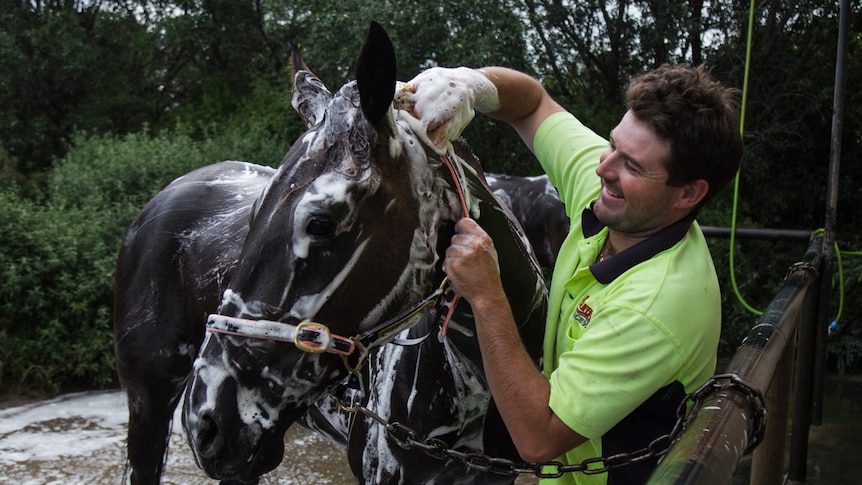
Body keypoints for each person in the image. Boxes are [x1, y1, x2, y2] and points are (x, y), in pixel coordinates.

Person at [394, 64, 743, 484]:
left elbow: (538, 439)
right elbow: (533, 103)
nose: (602, 168)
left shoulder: (654, 306)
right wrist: (468, 84)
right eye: (612, 144)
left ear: (689, 193)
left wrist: (487, 297)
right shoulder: (618, 200)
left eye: (631, 165)